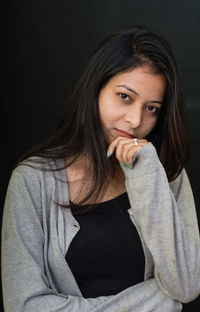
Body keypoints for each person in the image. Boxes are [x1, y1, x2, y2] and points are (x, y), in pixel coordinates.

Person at [1, 25, 200, 312]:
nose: (134, 120)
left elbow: (186, 286)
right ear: (95, 89)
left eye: (152, 108)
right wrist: (158, 301)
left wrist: (147, 175)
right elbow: (24, 305)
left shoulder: (166, 173)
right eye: (125, 97)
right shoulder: (32, 181)